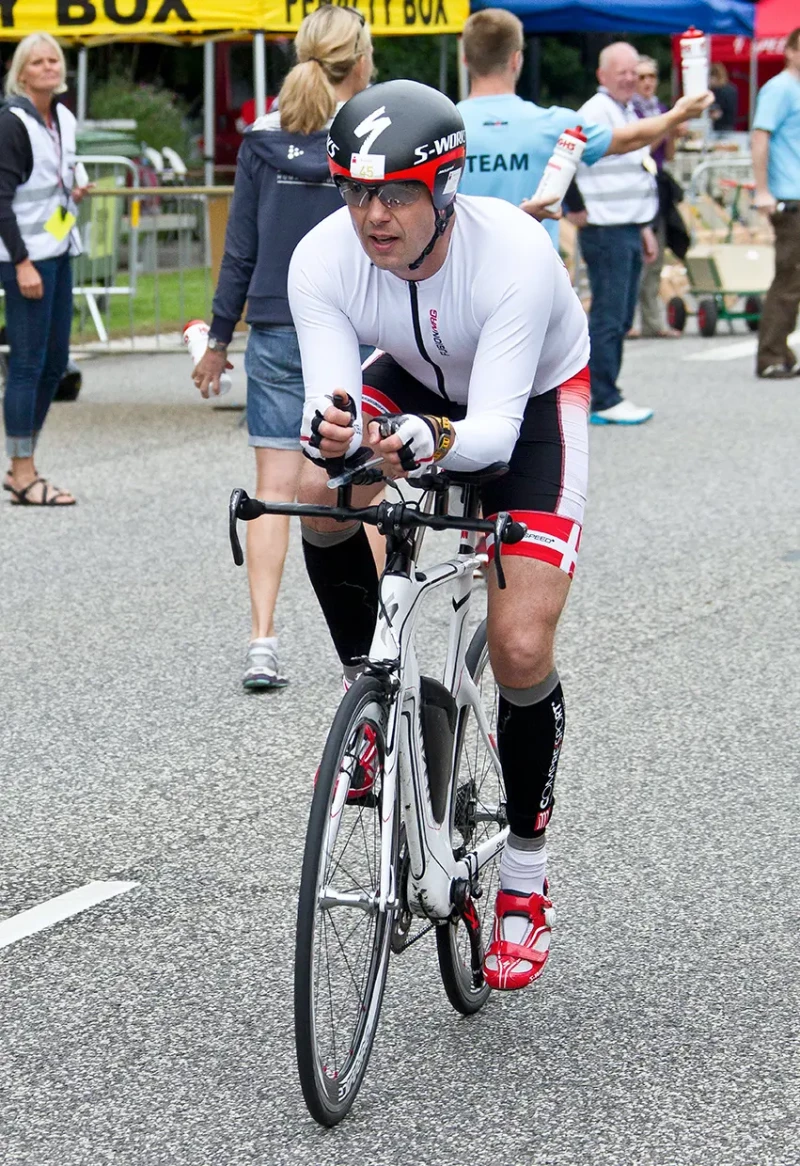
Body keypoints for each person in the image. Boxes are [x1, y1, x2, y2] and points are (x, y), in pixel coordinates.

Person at [290, 79, 591, 992]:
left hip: (526, 402)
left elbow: (492, 434)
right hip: (413, 380)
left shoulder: (515, 257)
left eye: (395, 194)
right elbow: (332, 409)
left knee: (518, 641)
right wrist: (337, 439)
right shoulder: (323, 258)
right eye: (354, 191)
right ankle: (370, 701)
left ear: (445, 189)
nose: (371, 215)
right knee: (317, 491)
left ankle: (526, 878)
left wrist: (429, 444)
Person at [192, 5, 374, 688]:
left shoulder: (263, 137)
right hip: (352, 326)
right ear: (359, 60)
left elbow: (240, 248)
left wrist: (216, 338)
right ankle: (376, 636)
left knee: (273, 488)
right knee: (359, 482)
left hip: (273, 323)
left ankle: (262, 642)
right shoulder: (367, 134)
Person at [457, 10, 709, 256]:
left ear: (465, 59)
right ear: (516, 60)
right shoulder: (552, 124)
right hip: (532, 269)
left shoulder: (444, 128)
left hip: (464, 271)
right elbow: (627, 139)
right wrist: (679, 114)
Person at [574, 43, 710, 425]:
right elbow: (574, 155)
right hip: (607, 226)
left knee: (617, 315)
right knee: (609, 315)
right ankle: (602, 396)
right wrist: (575, 207)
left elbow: (638, 165)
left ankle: (606, 391)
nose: (631, 78)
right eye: (623, 72)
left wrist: (645, 226)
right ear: (602, 75)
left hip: (627, 224)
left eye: (635, 71)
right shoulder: (596, 112)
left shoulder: (624, 108)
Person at [0, 33, 91, 506]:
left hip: (58, 248)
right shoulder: (12, 123)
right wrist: (20, 262)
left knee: (55, 363)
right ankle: (21, 470)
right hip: (25, 258)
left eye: (53, 59)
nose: (48, 67)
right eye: (36, 62)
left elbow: (52, 177)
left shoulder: (62, 117)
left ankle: (24, 461)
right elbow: (1, 200)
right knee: (28, 363)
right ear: (21, 72)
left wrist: (73, 189)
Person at [751, 28, 800, 380]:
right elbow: (759, 138)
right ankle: (769, 355)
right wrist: (762, 190)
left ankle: (782, 349)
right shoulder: (780, 88)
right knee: (789, 277)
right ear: (791, 52)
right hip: (788, 196)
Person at [631, 55, 680, 339]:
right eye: (642, 77)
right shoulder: (631, 113)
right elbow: (643, 149)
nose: (648, 83)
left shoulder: (660, 110)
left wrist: (670, 132)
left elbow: (668, 155)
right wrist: (664, 128)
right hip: (635, 188)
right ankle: (631, 319)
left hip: (656, 187)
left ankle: (652, 320)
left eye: (651, 77)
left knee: (657, 256)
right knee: (636, 257)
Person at [709, 62, 738, 133]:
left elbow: (729, 111)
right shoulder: (713, 90)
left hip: (725, 128)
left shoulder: (728, 91)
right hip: (719, 127)